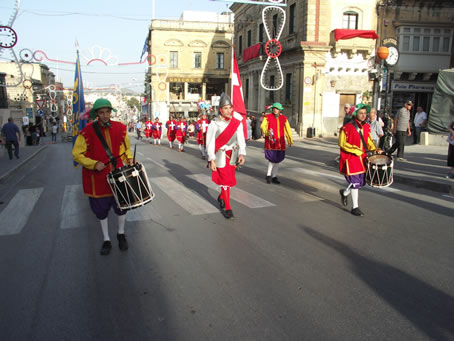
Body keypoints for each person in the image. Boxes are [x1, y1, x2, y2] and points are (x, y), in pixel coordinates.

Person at [72, 98, 133, 255]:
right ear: (96, 114)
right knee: (101, 210)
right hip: (98, 178)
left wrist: (129, 159)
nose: (105, 115)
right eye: (101, 113)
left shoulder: (121, 128)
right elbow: (77, 154)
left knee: (122, 207)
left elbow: (124, 149)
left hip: (117, 176)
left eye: (107, 112)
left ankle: (120, 233)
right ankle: (106, 239)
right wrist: (93, 163)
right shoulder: (87, 132)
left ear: (111, 112)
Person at [206, 93, 246, 219]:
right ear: (220, 110)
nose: (229, 111)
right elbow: (210, 143)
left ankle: (222, 196)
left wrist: (242, 153)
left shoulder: (236, 122)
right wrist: (211, 159)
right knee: (225, 181)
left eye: (230, 108)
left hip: (233, 154)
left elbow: (240, 138)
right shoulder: (214, 124)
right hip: (220, 155)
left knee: (229, 180)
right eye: (226, 108)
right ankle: (228, 208)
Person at [338, 104, 380, 216]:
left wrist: (376, 150)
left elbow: (369, 141)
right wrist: (355, 150)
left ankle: (345, 192)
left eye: (365, 113)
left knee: (361, 182)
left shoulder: (366, 126)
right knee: (355, 182)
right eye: (361, 113)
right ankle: (355, 207)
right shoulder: (347, 128)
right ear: (356, 114)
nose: (363, 115)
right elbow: (342, 143)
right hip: (351, 158)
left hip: (363, 159)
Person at [260, 102, 293, 184]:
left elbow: (287, 130)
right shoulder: (267, 117)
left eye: (277, 109)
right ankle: (268, 175)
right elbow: (263, 126)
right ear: (272, 109)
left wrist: (290, 140)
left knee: (278, 160)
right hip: (271, 141)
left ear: (280, 110)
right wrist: (267, 133)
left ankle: (274, 176)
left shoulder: (284, 118)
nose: (276, 110)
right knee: (272, 159)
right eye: (274, 108)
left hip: (280, 142)